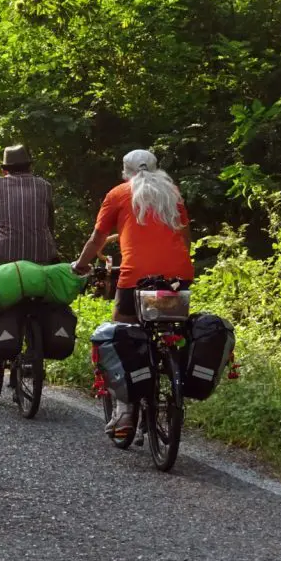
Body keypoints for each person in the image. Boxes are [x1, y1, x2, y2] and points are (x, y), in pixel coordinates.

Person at [70, 149, 194, 436]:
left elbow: (97, 239)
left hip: (136, 279)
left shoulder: (118, 194)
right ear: (156, 167)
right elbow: (185, 238)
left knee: (121, 333)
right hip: (178, 278)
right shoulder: (172, 193)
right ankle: (171, 373)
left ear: (125, 171)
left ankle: (125, 411)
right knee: (170, 326)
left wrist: (80, 265)